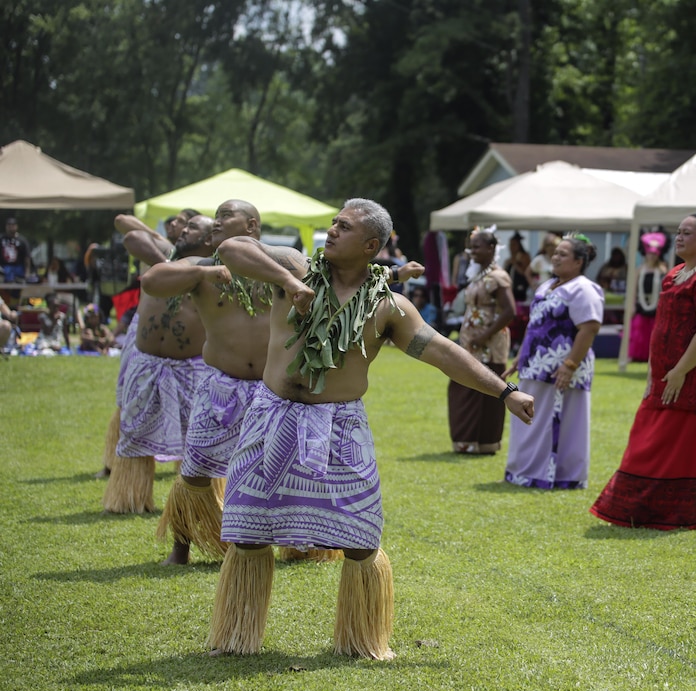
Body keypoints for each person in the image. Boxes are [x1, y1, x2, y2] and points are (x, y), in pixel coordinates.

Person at [208, 198, 534, 658]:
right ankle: (237, 637)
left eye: (344, 227)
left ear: (371, 245)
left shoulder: (387, 307)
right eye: (334, 223)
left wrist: (506, 392)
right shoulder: (294, 270)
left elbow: (443, 353)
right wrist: (286, 282)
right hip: (271, 415)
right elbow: (232, 248)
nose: (332, 231)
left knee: (360, 540)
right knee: (249, 534)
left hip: (340, 426)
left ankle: (360, 640)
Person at [137, 199, 266, 565]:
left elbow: (330, 277)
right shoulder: (200, 267)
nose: (216, 222)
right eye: (216, 216)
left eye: (227, 216)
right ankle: (182, 548)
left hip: (273, 391)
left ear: (252, 226)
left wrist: (394, 276)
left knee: (285, 470)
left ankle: (303, 544)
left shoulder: (280, 263)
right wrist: (205, 276)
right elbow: (151, 280)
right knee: (194, 471)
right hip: (219, 387)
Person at [590, 212, 696, 529]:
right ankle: (640, 510)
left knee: (673, 443)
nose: (679, 237)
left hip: (693, 373)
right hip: (666, 372)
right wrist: (653, 374)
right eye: (678, 232)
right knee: (648, 436)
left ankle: (670, 513)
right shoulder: (676, 273)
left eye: (687, 232)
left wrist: (681, 370)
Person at [100, 214, 214, 514]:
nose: (183, 229)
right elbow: (130, 236)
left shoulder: (215, 270)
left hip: (191, 368)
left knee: (198, 439)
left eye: (191, 228)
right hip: (147, 363)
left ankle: (200, 505)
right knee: (136, 430)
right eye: (183, 226)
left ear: (208, 240)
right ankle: (130, 498)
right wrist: (168, 262)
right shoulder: (164, 254)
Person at [504, 234, 603, 490]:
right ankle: (524, 471)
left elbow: (589, 328)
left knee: (559, 421)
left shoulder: (583, 288)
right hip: (534, 365)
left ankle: (560, 475)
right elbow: (534, 325)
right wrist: (520, 357)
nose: (555, 258)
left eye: (562, 254)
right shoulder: (546, 285)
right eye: (555, 253)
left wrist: (569, 365)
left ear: (579, 262)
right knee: (529, 420)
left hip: (562, 368)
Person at [448, 228, 516, 454]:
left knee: (485, 389)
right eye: (471, 246)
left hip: (488, 344)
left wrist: (484, 335)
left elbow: (509, 311)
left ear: (491, 248)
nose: (472, 251)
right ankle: (465, 441)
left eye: (477, 246)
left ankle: (484, 443)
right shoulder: (477, 274)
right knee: (464, 386)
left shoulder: (498, 277)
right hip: (470, 341)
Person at [628, 231, 669, 363]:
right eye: (649, 254)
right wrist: (633, 304)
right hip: (642, 303)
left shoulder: (663, 270)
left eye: (654, 254)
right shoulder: (640, 270)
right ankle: (638, 355)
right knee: (640, 330)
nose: (651, 256)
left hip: (656, 304)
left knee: (654, 330)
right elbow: (634, 288)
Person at [1, 217, 33, 282]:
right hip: (4, 267)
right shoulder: (1, 239)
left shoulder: (22, 240)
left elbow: (27, 257)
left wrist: (27, 271)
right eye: (9, 225)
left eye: (12, 225)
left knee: (19, 285)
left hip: (19, 267)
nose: (10, 228)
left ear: (16, 226)